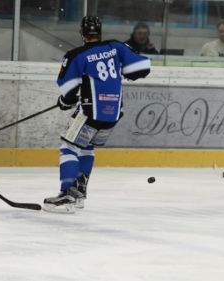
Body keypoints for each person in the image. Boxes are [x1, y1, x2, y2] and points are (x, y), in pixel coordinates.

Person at [43, 16, 151, 213]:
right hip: (113, 114)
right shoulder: (116, 47)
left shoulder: (77, 55)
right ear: (99, 32)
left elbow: (68, 90)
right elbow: (141, 68)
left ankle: (67, 194)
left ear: (82, 33)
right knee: (86, 147)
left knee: (69, 146)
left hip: (91, 111)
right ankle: (80, 193)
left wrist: (65, 102)